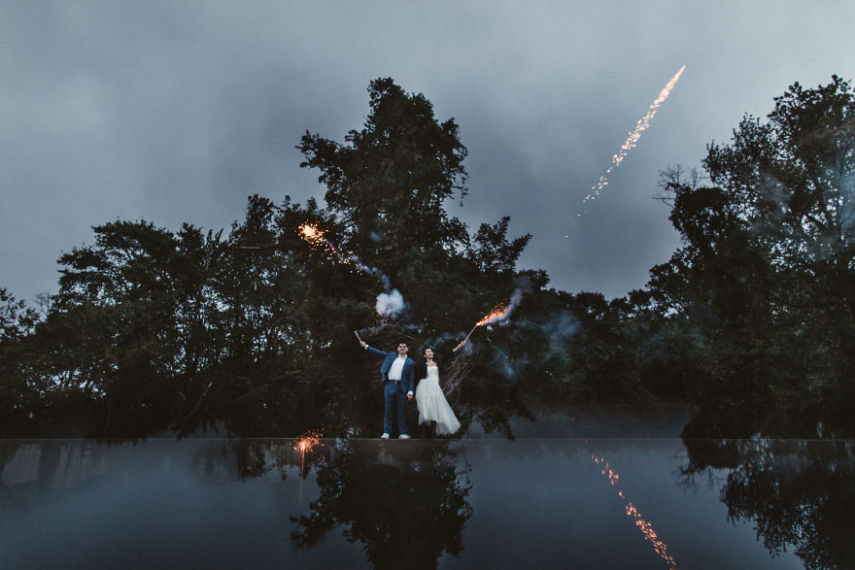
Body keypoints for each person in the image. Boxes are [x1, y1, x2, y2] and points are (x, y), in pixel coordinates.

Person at [355, 331, 415, 439]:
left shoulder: (410, 362)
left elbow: (411, 378)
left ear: (407, 349)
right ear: (397, 349)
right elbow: (378, 352)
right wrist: (366, 346)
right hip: (389, 385)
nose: (402, 348)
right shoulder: (391, 356)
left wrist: (410, 391)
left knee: (401, 410)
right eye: (400, 346)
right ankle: (386, 432)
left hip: (402, 387)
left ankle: (402, 433)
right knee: (388, 409)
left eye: (404, 346)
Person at [414, 342, 465, 436]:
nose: (430, 353)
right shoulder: (421, 364)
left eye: (431, 351)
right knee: (426, 410)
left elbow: (447, 355)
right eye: (428, 352)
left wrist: (458, 347)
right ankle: (425, 432)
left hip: (435, 388)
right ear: (425, 355)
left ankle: (432, 432)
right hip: (424, 387)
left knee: (438, 409)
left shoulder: (437, 363)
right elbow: (416, 373)